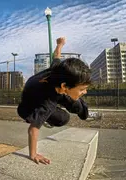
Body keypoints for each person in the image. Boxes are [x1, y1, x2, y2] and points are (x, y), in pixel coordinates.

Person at [17, 37, 101, 165]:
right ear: (64, 86)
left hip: (50, 90)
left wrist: (60, 44)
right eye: (82, 89)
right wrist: (33, 154)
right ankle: (46, 119)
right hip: (29, 107)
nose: (85, 92)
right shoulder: (48, 101)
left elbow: (56, 55)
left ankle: (86, 113)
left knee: (76, 102)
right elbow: (33, 129)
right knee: (63, 118)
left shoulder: (57, 70)